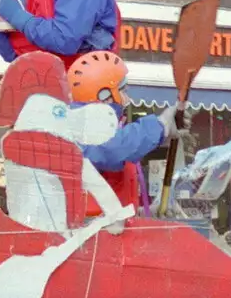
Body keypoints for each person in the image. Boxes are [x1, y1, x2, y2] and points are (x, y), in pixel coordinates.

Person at [66, 51, 188, 209]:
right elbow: (111, 148)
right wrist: (161, 125)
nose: (127, 99)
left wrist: (146, 213)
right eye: (123, 91)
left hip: (108, 227)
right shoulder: (78, 130)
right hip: (90, 229)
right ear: (106, 96)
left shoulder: (101, 128)